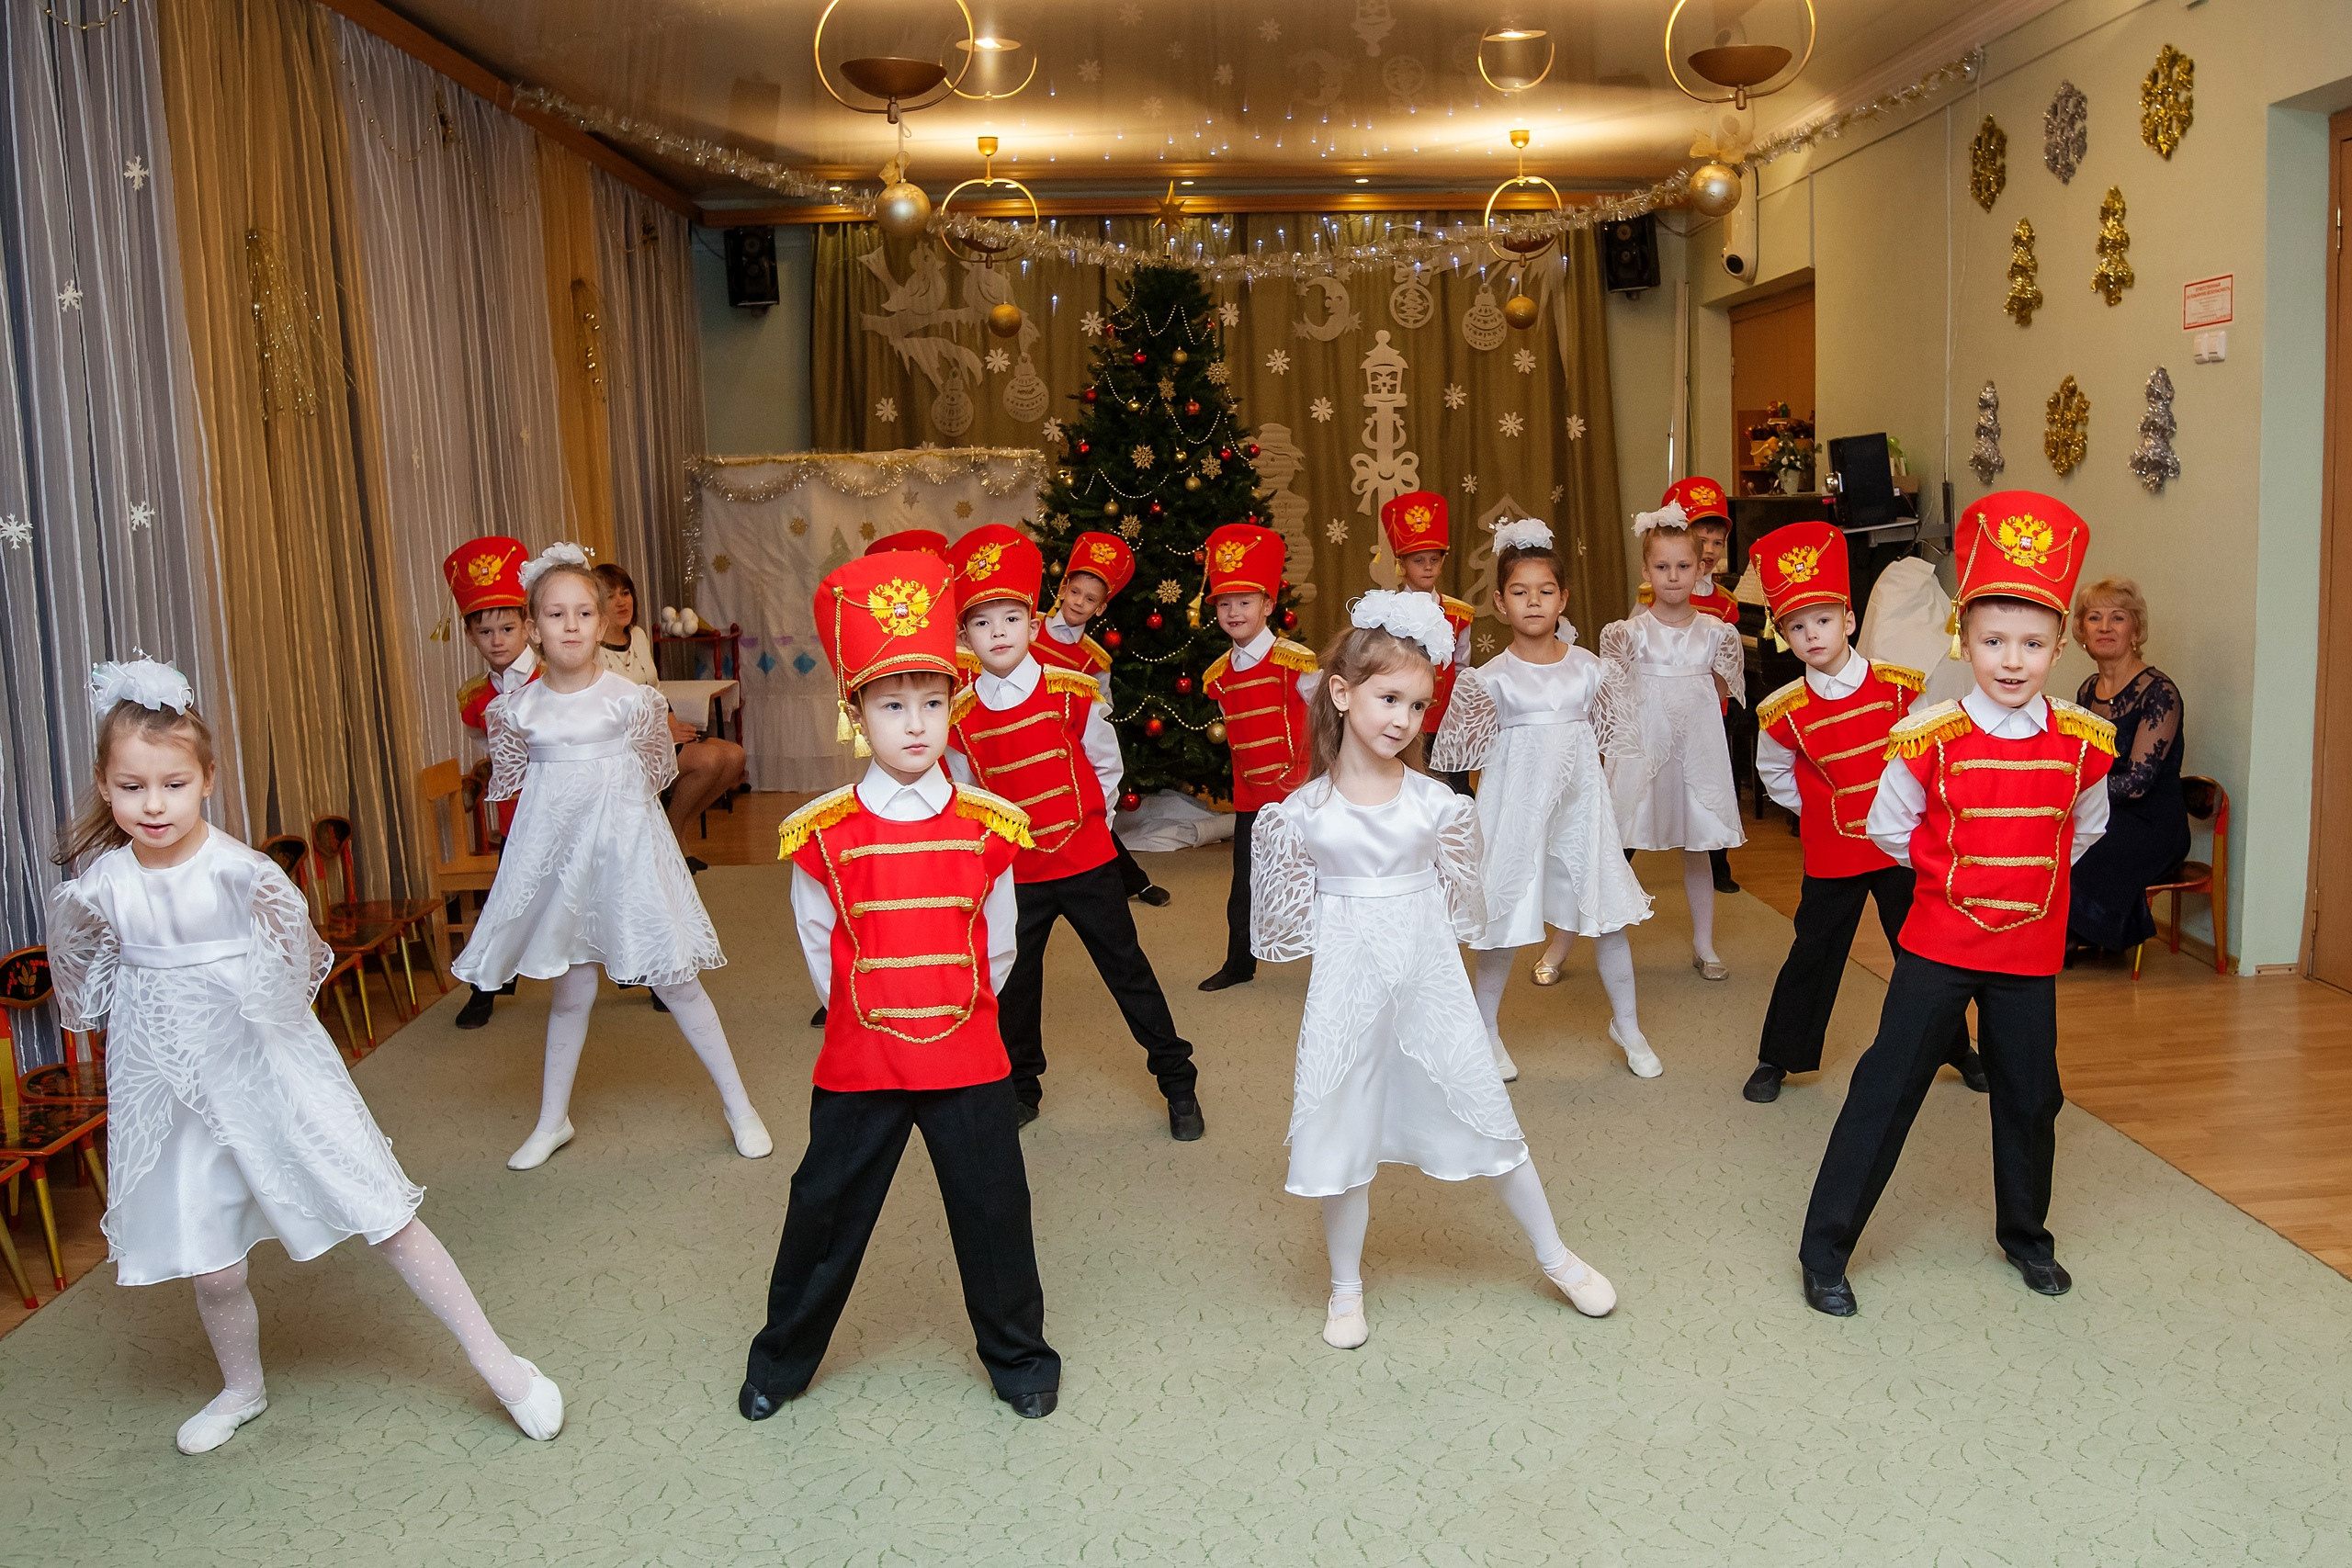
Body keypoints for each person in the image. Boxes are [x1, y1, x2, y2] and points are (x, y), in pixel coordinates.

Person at [47, 658, 561, 1454]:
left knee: (384, 1213)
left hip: (265, 1066)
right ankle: (241, 1387)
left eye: (173, 784)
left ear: (209, 778)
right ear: (105, 785)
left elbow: (291, 974)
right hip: (175, 1090)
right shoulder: (103, 883)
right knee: (212, 1265)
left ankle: (501, 1364)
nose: (152, 805)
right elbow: (89, 985)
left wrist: (239, 1022)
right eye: (131, 787)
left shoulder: (240, 873)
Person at [1250, 593, 1618, 1351]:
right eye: (1388, 698)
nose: (1402, 719)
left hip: (1428, 982)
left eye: (1417, 705)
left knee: (1487, 1110)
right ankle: (1345, 1285)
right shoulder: (1301, 815)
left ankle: (1555, 1254)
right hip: (1350, 989)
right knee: (1345, 1136)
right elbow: (1288, 925)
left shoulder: (1437, 806)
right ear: (1343, 694)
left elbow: (1462, 905)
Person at [742, 549, 1059, 1423]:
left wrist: (958, 1010)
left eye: (931, 702)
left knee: (994, 1209)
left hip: (968, 1053)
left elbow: (997, 946)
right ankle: (782, 1358)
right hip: (863, 1058)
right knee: (824, 1209)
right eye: (892, 704)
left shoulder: (989, 825)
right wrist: (871, 1010)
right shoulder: (824, 832)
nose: (915, 725)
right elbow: (820, 942)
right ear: (856, 712)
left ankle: (1020, 1357)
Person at [1797, 492, 2114, 1317]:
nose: (2013, 660)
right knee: (1886, 1086)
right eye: (1995, 640)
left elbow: (2081, 829)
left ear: (2058, 645)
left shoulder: (2083, 745)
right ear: (1964, 640)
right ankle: (1825, 1248)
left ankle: (2026, 1236)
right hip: (1937, 946)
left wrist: (2024, 887)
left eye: (2034, 643)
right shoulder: (1928, 735)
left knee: (2030, 1096)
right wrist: (1958, 881)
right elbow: (1892, 829)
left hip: (2030, 956)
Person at [452, 544, 770, 1171]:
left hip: (627, 850)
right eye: (553, 614)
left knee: (676, 979)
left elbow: (654, 773)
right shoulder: (515, 708)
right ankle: (553, 1119)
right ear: (534, 628)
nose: (569, 625)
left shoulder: (632, 699)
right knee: (571, 990)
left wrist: (624, 829)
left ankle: (740, 1105)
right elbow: (521, 791)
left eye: (581, 613)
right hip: (562, 863)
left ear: (601, 623)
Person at [944, 525, 1204, 1140]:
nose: (998, 632)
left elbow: (1106, 765)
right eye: (982, 623)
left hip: (1085, 861)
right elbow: (964, 793)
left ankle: (1176, 1078)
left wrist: (1092, 830)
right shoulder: (959, 712)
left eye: (1010, 618)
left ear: (1034, 623)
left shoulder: (1072, 689)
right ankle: (1021, 1086)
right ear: (965, 636)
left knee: (1127, 970)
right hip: (1018, 872)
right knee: (1017, 983)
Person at [1745, 522, 1986, 1104]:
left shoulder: (1899, 687)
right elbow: (1774, 772)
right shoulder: (1784, 711)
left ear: (1848, 620)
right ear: (1785, 637)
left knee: (1921, 952)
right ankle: (1779, 1057)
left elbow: (1926, 754)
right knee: (1813, 952)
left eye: (1822, 620)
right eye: (1797, 627)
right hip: (1832, 856)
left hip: (1901, 848)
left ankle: (1956, 1048)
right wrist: (1817, 812)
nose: (1812, 635)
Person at [1430, 518, 1657, 1083]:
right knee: (1501, 919)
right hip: (1517, 810)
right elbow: (1465, 756)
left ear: (1564, 599)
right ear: (1501, 604)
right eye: (1519, 592)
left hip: (1580, 810)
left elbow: (1613, 743)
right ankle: (1484, 1028)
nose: (1534, 602)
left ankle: (1627, 1026)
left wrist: (1599, 803)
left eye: (1546, 591)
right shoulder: (1490, 679)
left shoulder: (1590, 670)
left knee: (1605, 918)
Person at [1600, 504, 1747, 982]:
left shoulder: (1717, 633)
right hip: (1644, 748)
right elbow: (1615, 695)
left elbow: (1720, 694)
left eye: (1683, 566)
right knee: (1613, 843)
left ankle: (1704, 944)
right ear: (1646, 571)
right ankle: (1569, 937)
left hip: (1694, 753)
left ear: (1701, 567)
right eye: (1662, 567)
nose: (1673, 576)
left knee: (1699, 847)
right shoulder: (1629, 633)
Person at [1196, 522, 1320, 992]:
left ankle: (1338, 958)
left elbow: (1325, 723)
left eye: (1244, 602)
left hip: (1302, 794)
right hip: (1251, 798)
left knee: (1321, 878)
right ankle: (1239, 963)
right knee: (1244, 886)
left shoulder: (1297, 662)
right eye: (1224, 604)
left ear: (1268, 605)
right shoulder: (1218, 674)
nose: (1233, 612)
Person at [1032, 530, 1173, 908]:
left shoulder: (1095, 661)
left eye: (1090, 599)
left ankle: (1131, 882)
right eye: (1075, 592)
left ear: (1101, 609)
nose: (1079, 602)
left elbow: (1100, 711)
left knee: (1089, 819)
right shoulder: (1025, 628)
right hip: (1021, 740)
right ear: (1062, 588)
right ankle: (1134, 881)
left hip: (1064, 749)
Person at [590, 561, 746, 872]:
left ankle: (673, 832)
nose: (622, 601)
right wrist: (659, 733)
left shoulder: (637, 636)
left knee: (734, 757)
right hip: (629, 745)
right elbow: (606, 709)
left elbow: (654, 688)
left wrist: (671, 719)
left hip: (658, 731)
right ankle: (672, 838)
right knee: (710, 761)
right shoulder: (592, 649)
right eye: (610, 596)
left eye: (625, 592)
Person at [2065, 578, 2189, 956]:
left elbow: (2137, 782)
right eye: (2094, 618)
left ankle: (2081, 932)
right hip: (2104, 811)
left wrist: (2068, 795)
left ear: (2135, 630)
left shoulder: (2159, 692)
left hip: (2152, 823)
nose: (2105, 628)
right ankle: (2058, 929)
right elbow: (2081, 762)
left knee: (2082, 841)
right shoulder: (2087, 690)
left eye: (2117, 618)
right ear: (2082, 632)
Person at [444, 536, 536, 1030]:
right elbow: (490, 751)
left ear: (528, 625)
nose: (497, 640)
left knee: (602, 893)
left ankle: (648, 975)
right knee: (505, 903)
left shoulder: (554, 678)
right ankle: (487, 986)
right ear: (470, 636)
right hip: (514, 817)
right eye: (485, 632)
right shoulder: (473, 698)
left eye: (507, 627)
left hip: (570, 807)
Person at [1637, 479, 1743, 895]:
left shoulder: (1726, 603)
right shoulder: (1654, 595)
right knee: (1645, 787)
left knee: (1707, 793)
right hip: (1658, 712)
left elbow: (1725, 665)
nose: (1711, 549)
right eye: (1702, 538)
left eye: (1717, 541)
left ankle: (1718, 861)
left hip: (1704, 716)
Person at [1378, 490, 1476, 795]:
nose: (1428, 567)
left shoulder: (1459, 614)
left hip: (1447, 722)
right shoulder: (1388, 613)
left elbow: (1461, 667)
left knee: (1454, 789)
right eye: (1419, 560)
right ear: (1401, 563)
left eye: (1435, 559)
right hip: (1406, 721)